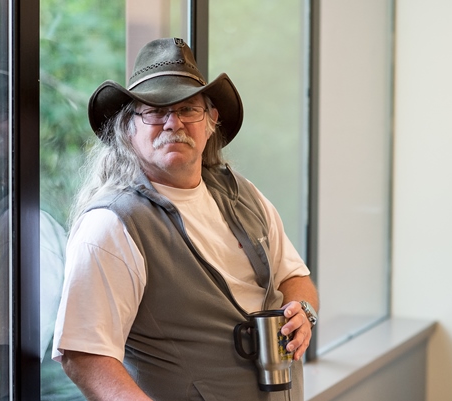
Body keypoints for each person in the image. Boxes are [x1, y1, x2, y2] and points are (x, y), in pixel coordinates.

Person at [52, 37, 318, 401]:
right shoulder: (111, 226)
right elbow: (84, 356)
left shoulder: (243, 194)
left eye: (188, 108)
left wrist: (303, 311)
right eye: (154, 111)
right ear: (128, 129)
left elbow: (294, 276)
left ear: (211, 121)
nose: (172, 122)